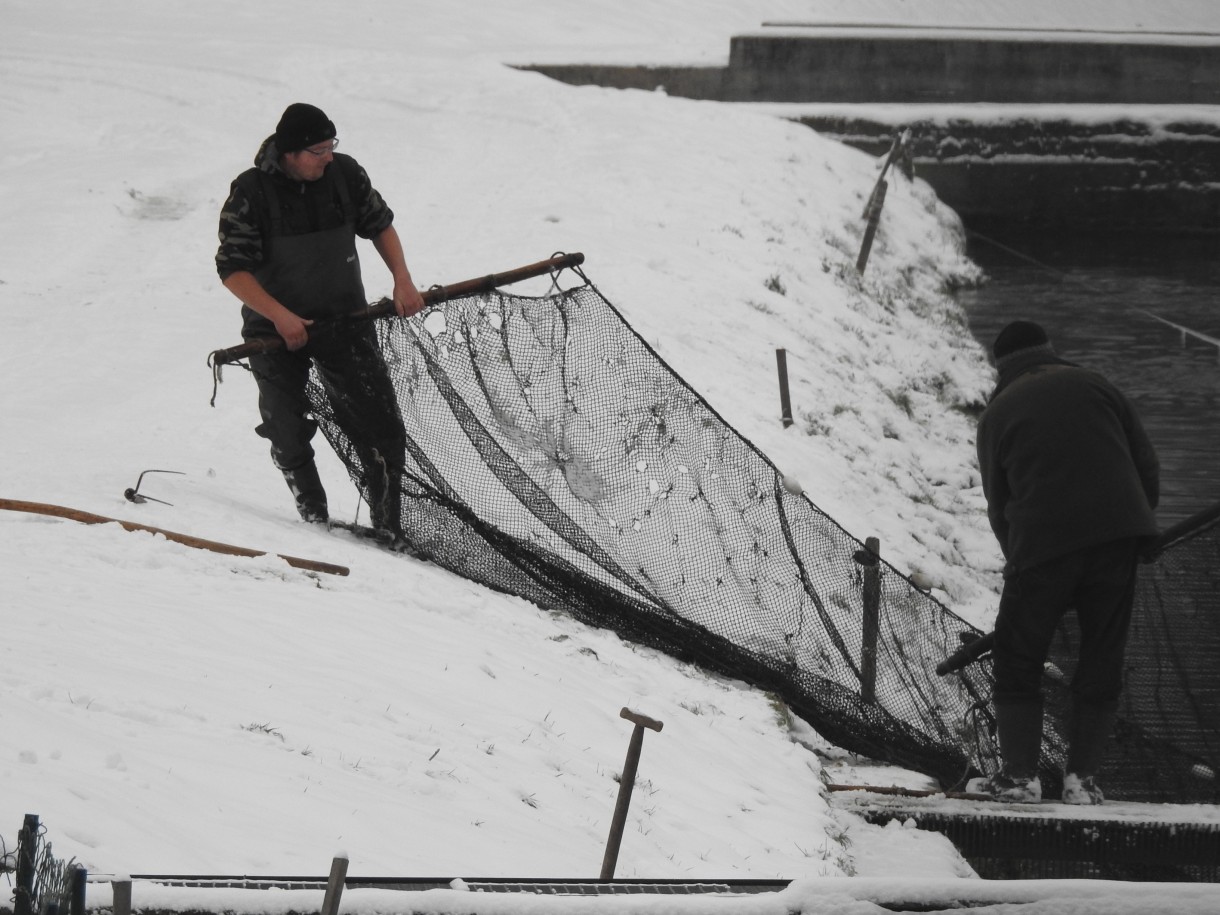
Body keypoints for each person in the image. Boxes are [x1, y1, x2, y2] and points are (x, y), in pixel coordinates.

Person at [971, 321, 1159, 805]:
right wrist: (1134, 529)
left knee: (1018, 657)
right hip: (1119, 539)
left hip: (1042, 546)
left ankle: (1018, 780)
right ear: (1051, 352)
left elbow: (999, 502)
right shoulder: (1098, 385)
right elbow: (1146, 466)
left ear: (1001, 367)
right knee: (1102, 657)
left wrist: (1022, 561)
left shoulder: (997, 414)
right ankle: (1084, 783)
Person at [215, 102, 425, 534]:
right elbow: (232, 270)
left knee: (382, 428)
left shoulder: (345, 176)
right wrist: (280, 316)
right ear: (290, 152)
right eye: (318, 150)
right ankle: (313, 516)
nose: (328, 157)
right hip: (274, 331)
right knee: (286, 425)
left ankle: (389, 524)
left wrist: (402, 278)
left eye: (332, 146)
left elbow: (380, 225)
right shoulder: (250, 193)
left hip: (345, 320)